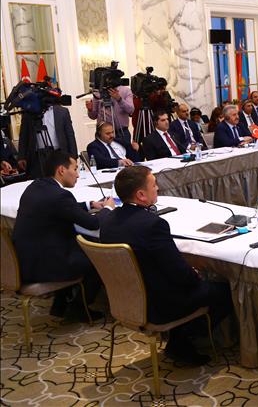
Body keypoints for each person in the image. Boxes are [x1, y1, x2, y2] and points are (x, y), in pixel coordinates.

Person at [100, 166, 233, 365]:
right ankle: (182, 341)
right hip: (159, 306)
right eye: (154, 185)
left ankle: (180, 340)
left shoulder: (107, 220)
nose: (158, 188)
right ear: (141, 195)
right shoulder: (153, 225)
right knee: (224, 291)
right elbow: (179, 273)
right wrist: (196, 275)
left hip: (124, 301)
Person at [12, 150, 113, 320]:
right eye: (75, 169)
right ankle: (78, 308)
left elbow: (63, 208)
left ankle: (60, 305)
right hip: (43, 266)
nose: (78, 175)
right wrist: (109, 208)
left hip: (27, 260)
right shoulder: (60, 195)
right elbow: (93, 223)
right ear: (61, 170)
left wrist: (91, 204)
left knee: (80, 245)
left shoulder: (37, 186)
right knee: (97, 257)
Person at [18, 104, 77, 177]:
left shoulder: (62, 112)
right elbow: (24, 135)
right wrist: (21, 156)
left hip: (58, 153)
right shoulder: (29, 112)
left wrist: (73, 155)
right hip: (37, 156)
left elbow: (70, 134)